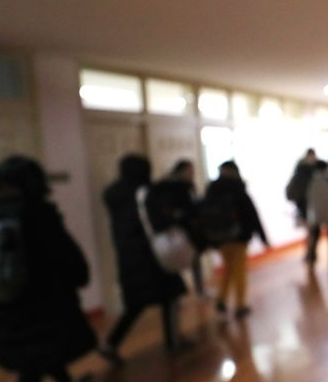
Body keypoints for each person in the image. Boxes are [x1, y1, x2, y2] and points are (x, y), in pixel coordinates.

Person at [0, 156, 97, 382]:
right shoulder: (37, 215)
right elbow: (64, 256)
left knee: (38, 350)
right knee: (36, 354)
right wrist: (79, 276)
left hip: (3, 300)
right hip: (40, 300)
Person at [99, 154, 189, 365]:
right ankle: (173, 341)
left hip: (128, 257)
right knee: (171, 295)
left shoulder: (114, 195)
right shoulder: (144, 194)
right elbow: (158, 223)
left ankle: (110, 343)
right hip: (152, 256)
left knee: (135, 304)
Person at [203, 160, 269, 318]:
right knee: (239, 270)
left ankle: (221, 299)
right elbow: (252, 213)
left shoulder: (212, 190)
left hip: (220, 238)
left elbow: (205, 215)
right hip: (239, 237)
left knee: (228, 268)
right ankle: (240, 305)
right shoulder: (238, 188)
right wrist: (263, 237)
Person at [151, 159, 205, 295]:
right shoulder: (175, 187)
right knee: (176, 259)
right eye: (189, 171)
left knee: (192, 258)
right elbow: (188, 207)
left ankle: (197, 289)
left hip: (183, 228)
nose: (192, 174)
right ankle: (182, 291)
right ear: (181, 171)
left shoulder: (172, 185)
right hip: (178, 230)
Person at [304, 159, 328, 270]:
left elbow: (307, 197)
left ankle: (311, 259)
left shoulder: (310, 180)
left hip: (315, 214)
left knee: (314, 237)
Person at [286, 148, 317, 221]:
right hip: (302, 196)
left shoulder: (301, 166)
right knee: (305, 216)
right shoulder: (305, 168)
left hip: (304, 196)